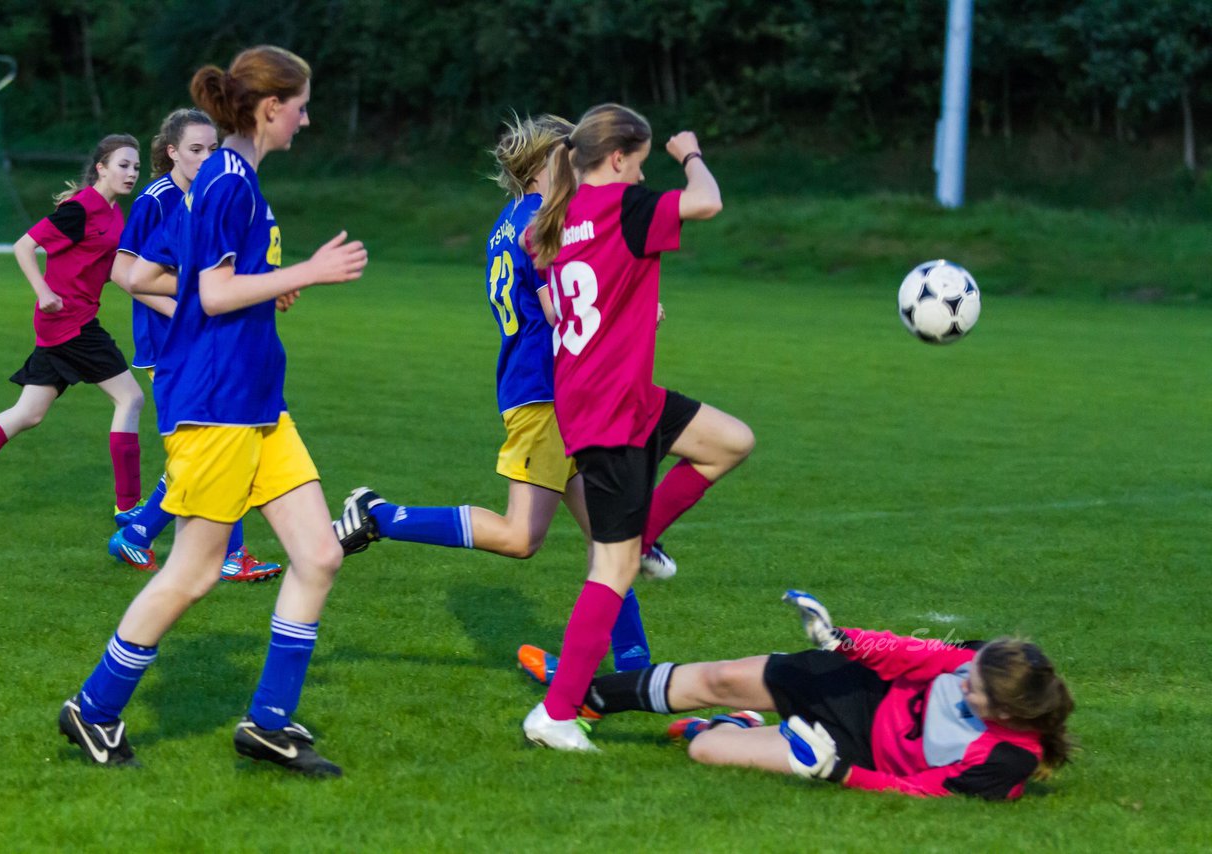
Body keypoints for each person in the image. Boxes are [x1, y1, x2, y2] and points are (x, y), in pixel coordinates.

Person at [58, 45, 368, 777]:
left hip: (259, 400)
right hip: (217, 405)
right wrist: (309, 272)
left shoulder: (232, 179)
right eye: (300, 104)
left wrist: (273, 280)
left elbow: (190, 276)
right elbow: (211, 295)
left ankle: (267, 724)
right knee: (193, 574)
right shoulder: (228, 181)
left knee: (320, 553)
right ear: (270, 108)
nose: (306, 116)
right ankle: (93, 709)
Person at [332, 114, 652, 673]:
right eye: (572, 155)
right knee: (521, 536)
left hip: (548, 392)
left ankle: (634, 668)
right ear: (548, 162)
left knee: (610, 536)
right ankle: (381, 515)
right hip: (545, 395)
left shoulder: (508, 221)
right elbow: (561, 309)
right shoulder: (543, 222)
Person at [518, 103, 755, 751]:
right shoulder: (623, 206)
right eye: (643, 161)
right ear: (619, 158)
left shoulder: (553, 221)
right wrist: (691, 154)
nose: (644, 172)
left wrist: (628, 314)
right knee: (610, 571)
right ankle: (557, 713)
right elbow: (706, 203)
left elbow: (565, 302)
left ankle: (644, 539)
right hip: (611, 410)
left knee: (729, 443)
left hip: (613, 396)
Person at [525, 590, 1075, 800]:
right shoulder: (979, 661)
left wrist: (839, 774)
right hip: (857, 686)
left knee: (704, 752)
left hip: (853, 750)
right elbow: (913, 654)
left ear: (999, 712)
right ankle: (585, 696)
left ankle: (734, 725)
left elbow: (920, 791)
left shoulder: (1005, 762)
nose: (962, 684)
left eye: (971, 690)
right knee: (717, 676)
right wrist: (843, 642)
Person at [0, 136, 145, 525]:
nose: (131, 173)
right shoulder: (81, 210)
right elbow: (24, 246)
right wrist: (44, 290)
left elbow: (111, 271)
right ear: (101, 167)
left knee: (29, 412)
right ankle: (129, 509)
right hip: (71, 322)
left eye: (135, 167)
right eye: (123, 165)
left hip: (68, 321)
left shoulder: (115, 214)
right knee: (130, 399)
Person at [107, 107, 281, 582]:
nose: (206, 159)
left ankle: (143, 534)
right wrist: (189, 308)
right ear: (172, 152)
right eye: (195, 150)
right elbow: (125, 274)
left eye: (212, 149)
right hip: (169, 346)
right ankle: (213, 549)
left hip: (203, 343)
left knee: (221, 442)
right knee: (221, 442)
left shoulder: (207, 197)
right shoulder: (157, 199)